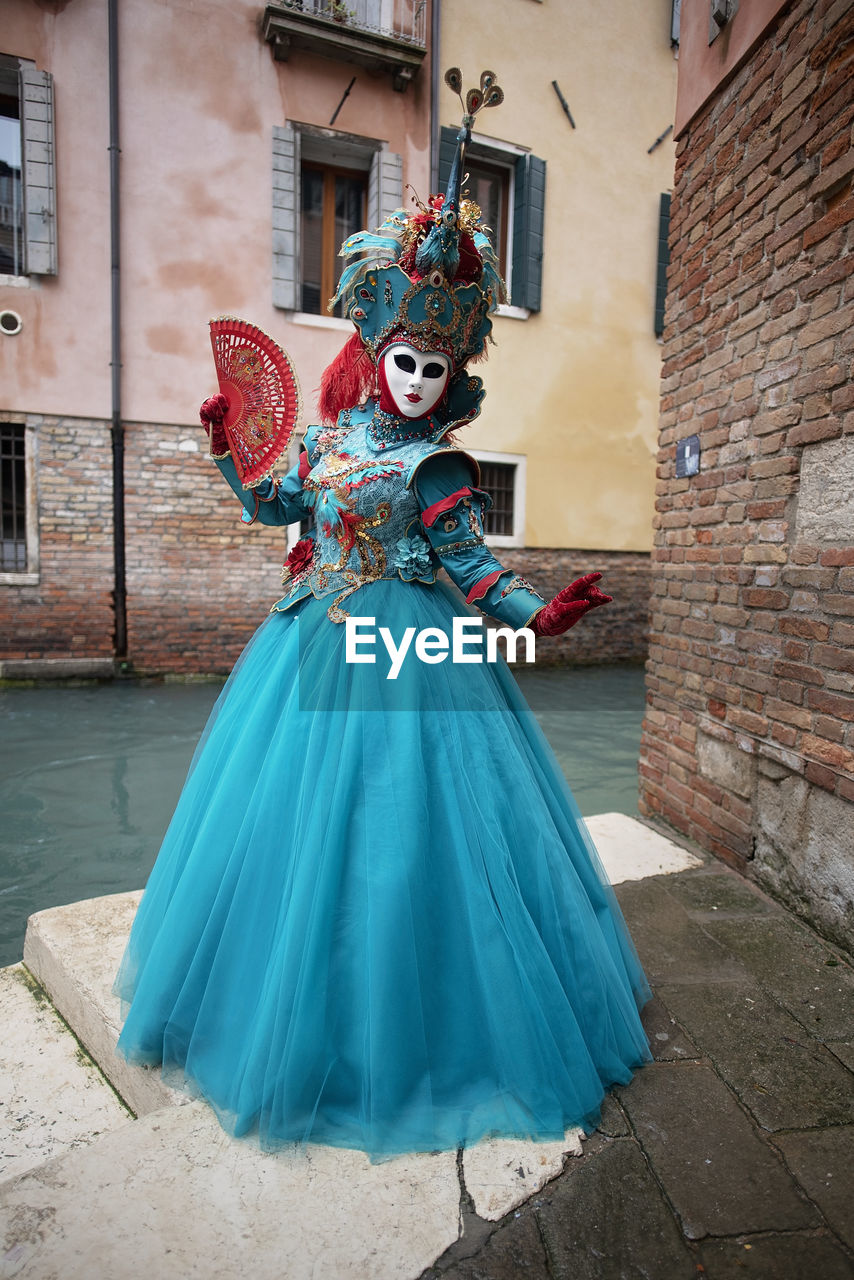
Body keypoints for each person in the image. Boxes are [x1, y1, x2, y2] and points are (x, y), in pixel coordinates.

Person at [114, 75, 651, 1158]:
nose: (413, 379)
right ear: (378, 350)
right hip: (308, 636)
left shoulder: (443, 467)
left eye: (434, 366)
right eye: (403, 359)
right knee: (290, 836)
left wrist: (537, 614)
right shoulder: (325, 445)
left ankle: (434, 1031)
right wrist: (230, 447)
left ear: (451, 374)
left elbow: (470, 573)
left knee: (421, 836)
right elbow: (276, 503)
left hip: (415, 649)